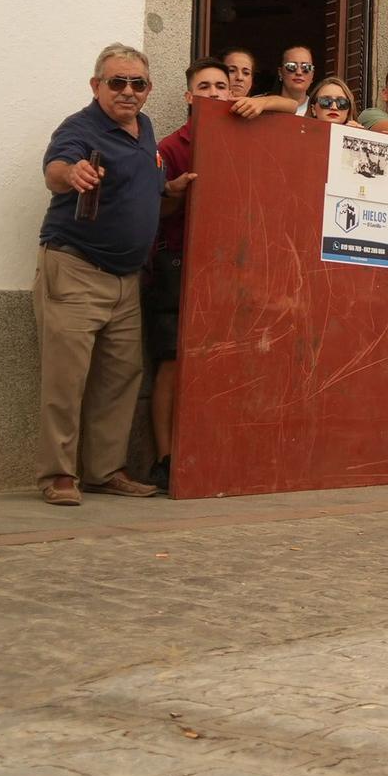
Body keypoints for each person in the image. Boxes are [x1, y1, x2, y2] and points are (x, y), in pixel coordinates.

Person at [32, 43, 180, 505]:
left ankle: (104, 470)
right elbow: (56, 169)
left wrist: (172, 188)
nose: (128, 92)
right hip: (76, 268)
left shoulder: (145, 128)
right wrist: (71, 173)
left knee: (121, 377)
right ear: (96, 86)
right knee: (66, 378)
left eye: (138, 84)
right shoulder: (80, 128)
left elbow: (145, 186)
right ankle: (58, 475)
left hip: (126, 278)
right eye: (117, 82)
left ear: (149, 89)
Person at [144, 58, 234, 491]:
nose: (215, 93)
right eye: (205, 86)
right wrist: (173, 194)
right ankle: (163, 458)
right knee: (172, 364)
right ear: (188, 96)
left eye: (222, 86)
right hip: (177, 263)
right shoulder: (169, 148)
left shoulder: (245, 135)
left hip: (232, 264)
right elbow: (155, 215)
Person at [229, 43, 319, 119]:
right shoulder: (256, 102)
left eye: (306, 67)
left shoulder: (321, 108)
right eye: (291, 66)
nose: (299, 72)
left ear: (312, 75)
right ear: (280, 72)